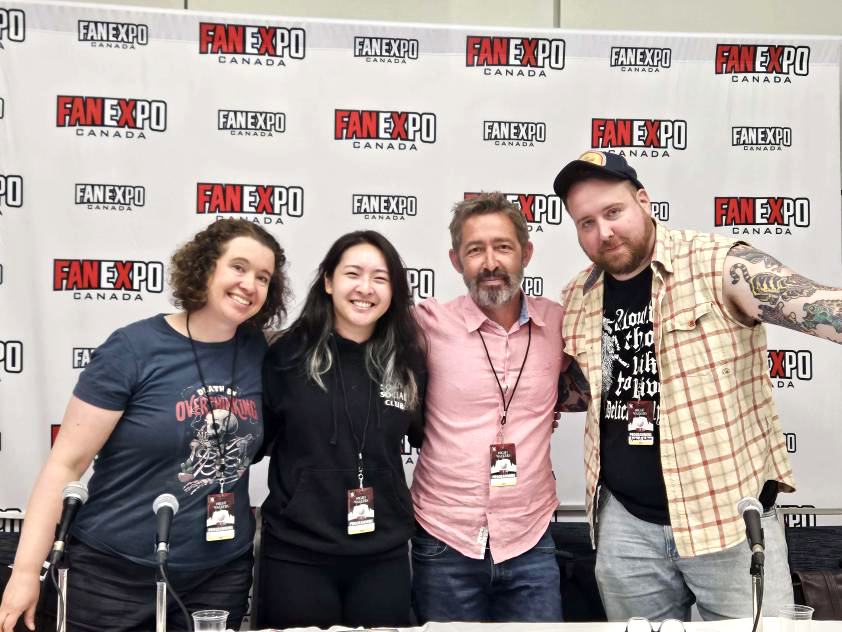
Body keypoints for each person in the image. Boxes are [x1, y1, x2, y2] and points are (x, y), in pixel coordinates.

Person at [553, 150, 842, 621]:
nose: (603, 231)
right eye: (586, 222)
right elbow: (585, 389)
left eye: (613, 212)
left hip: (728, 522)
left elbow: (814, 304)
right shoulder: (578, 295)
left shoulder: (718, 264)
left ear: (644, 201)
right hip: (627, 527)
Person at [0, 219, 289, 632]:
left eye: (263, 277)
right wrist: (26, 572)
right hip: (112, 574)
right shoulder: (133, 349)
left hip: (218, 575)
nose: (250, 284)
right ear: (205, 267)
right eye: (238, 267)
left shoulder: (260, 353)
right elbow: (65, 465)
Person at [410, 192, 587, 623]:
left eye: (503, 247)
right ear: (456, 261)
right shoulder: (426, 324)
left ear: (526, 253)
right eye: (475, 250)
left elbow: (596, 382)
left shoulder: (561, 324)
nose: (490, 262)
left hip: (531, 539)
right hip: (444, 538)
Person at [257, 230, 426, 629]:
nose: (365, 288)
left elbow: (426, 436)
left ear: (394, 292)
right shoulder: (285, 354)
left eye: (380, 278)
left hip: (382, 552)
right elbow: (254, 441)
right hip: (297, 551)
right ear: (329, 282)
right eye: (353, 274)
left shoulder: (409, 362)